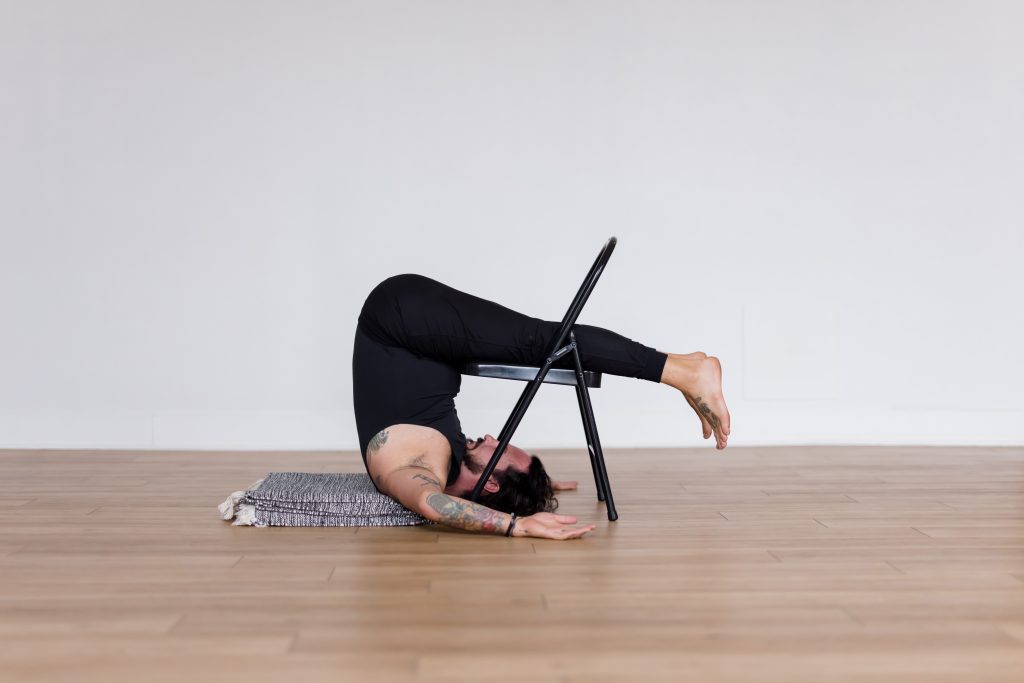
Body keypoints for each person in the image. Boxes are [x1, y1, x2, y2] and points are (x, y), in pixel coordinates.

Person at [352, 274, 730, 541]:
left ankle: (683, 369)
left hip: (399, 321)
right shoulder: (446, 467)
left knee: (545, 342)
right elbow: (455, 496)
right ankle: (682, 366)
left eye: (497, 448)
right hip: (417, 333)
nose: (489, 437)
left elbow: (431, 504)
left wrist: (516, 524)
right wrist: (533, 491)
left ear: (494, 481)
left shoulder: (412, 471)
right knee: (549, 344)